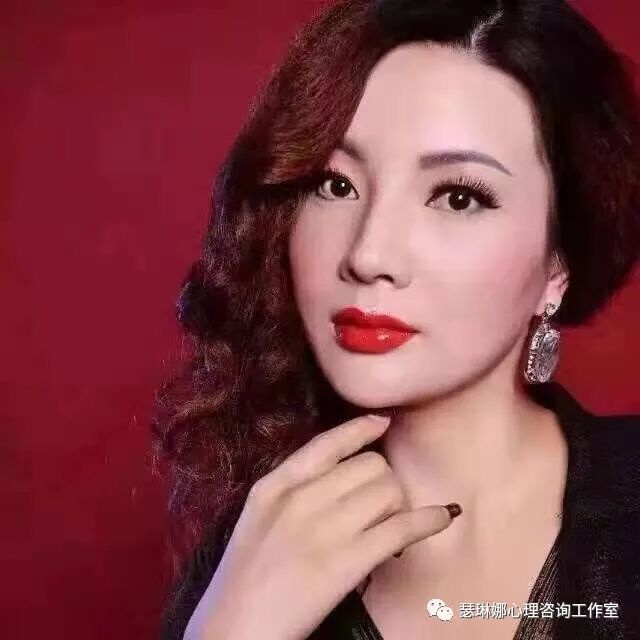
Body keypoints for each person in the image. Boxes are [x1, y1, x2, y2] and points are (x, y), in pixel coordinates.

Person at [150, 0, 640, 638]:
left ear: (558, 264)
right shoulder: (245, 565)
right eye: (336, 185)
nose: (368, 254)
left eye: (458, 197)